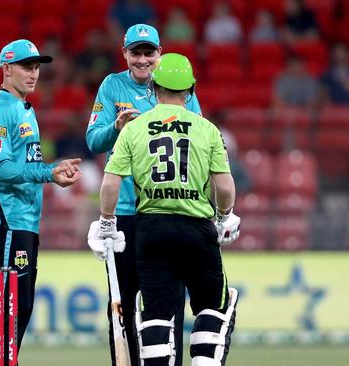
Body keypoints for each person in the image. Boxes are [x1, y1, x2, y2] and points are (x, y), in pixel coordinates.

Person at [88, 53, 241, 366]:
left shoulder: (133, 128)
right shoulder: (207, 129)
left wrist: (105, 222)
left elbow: (110, 182)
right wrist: (225, 217)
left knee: (156, 314)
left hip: (151, 229)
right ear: (191, 89)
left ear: (155, 87)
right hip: (196, 228)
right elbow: (224, 186)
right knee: (213, 307)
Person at [85, 24, 202, 366]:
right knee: (122, 304)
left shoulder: (178, 87)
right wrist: (117, 127)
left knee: (167, 302)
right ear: (124, 54)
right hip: (122, 213)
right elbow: (94, 141)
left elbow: (199, 138)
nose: (142, 60)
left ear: (159, 54)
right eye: (135, 52)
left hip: (165, 208)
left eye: (148, 52)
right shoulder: (112, 85)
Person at [0, 39, 82, 364]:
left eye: (37, 67)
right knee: (11, 307)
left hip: (22, 221)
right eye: (26, 66)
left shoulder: (23, 109)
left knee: (20, 307)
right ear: (6, 69)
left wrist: (53, 171)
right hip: (6, 223)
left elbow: (26, 164)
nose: (34, 73)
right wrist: (49, 173)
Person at [320, 43, 349, 108]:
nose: (339, 55)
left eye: (341, 51)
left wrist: (342, 76)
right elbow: (324, 97)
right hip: (335, 110)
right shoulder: (326, 75)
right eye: (336, 51)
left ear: (348, 54)